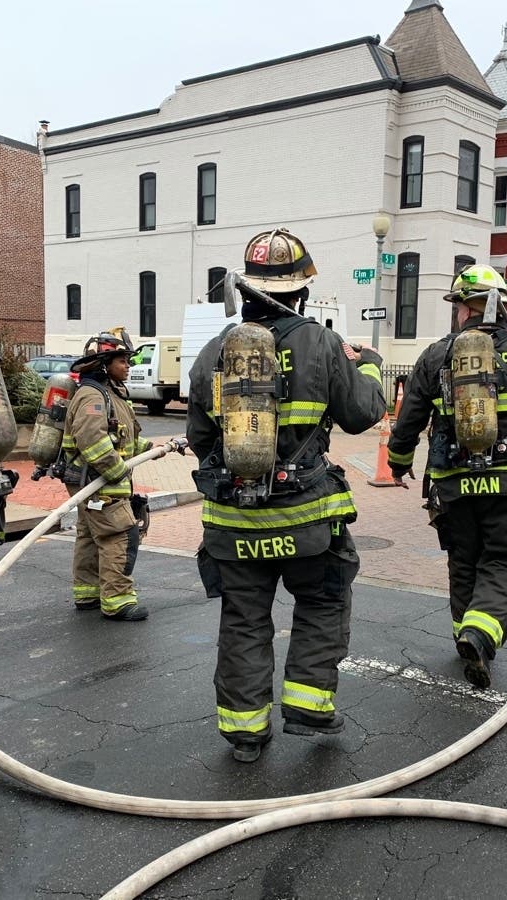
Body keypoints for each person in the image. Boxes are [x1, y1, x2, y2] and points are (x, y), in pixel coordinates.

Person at [186, 227, 386, 763]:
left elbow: (201, 442)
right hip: (307, 521)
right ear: (301, 292)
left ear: (245, 292)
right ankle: (308, 707)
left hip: (235, 526)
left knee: (244, 621)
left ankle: (245, 731)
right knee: (322, 603)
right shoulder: (321, 343)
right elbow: (364, 413)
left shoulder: (212, 354)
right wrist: (367, 364)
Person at [387, 264, 507, 689]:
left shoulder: (436, 355)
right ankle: (481, 633)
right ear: (501, 306)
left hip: (452, 480)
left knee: (464, 558)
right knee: (504, 562)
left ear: (462, 309)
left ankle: (464, 636)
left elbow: (408, 420)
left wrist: (399, 462)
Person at [60, 332, 152, 621]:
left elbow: (119, 437)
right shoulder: (92, 395)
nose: (128, 366)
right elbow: (93, 440)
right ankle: (118, 600)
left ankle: (87, 593)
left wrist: (150, 450)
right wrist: (116, 471)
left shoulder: (110, 393)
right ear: (103, 364)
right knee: (119, 533)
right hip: (97, 479)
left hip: (89, 480)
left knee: (89, 534)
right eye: (122, 361)